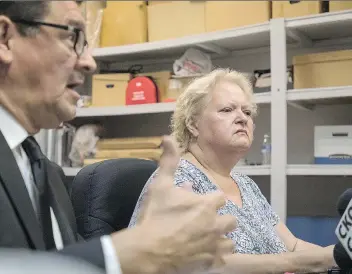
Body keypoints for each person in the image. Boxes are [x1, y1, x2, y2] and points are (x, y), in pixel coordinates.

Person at [0, 1, 236, 274]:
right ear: (6, 39)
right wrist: (123, 255)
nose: (89, 62)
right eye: (72, 36)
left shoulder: (45, 173)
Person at [129, 68, 337, 273]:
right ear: (193, 124)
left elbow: (292, 246)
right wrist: (307, 261)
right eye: (227, 110)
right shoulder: (179, 181)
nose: (242, 118)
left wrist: (337, 259)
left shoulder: (246, 184)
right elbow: (203, 266)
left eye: (247, 112)